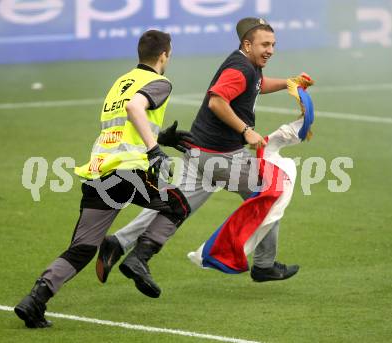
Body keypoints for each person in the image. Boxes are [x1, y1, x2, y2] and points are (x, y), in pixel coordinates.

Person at [96, 18, 314, 286]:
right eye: (265, 44)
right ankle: (264, 264)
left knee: (176, 204)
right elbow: (217, 101)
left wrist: (287, 83)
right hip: (222, 157)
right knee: (270, 191)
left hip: (199, 151)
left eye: (273, 45)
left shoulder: (248, 66)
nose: (270, 50)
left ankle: (120, 244)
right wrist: (246, 130)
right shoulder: (240, 68)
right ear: (247, 44)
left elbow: (256, 85)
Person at [14, 29, 194, 329]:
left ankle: (35, 299)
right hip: (128, 171)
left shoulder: (120, 83)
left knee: (83, 247)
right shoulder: (159, 81)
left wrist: (162, 136)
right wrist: (154, 150)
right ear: (165, 54)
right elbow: (135, 109)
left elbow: (125, 126)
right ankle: (139, 258)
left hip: (101, 171)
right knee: (177, 207)